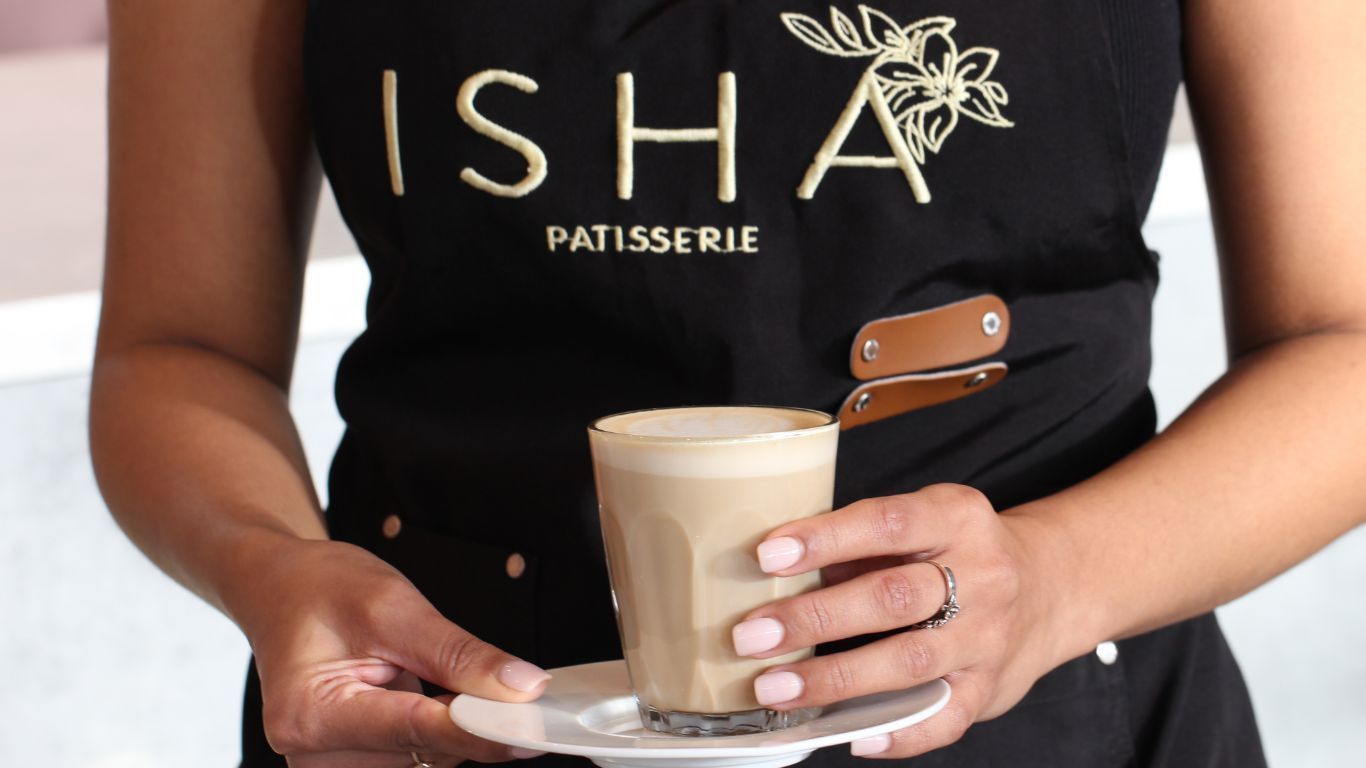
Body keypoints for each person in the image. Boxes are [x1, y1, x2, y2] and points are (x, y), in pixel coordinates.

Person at [91, 1, 1366, 766]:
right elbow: (180, 349)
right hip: (461, 729)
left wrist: (1054, 583)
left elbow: (1342, 338)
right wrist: (267, 566)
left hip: (1049, 727)